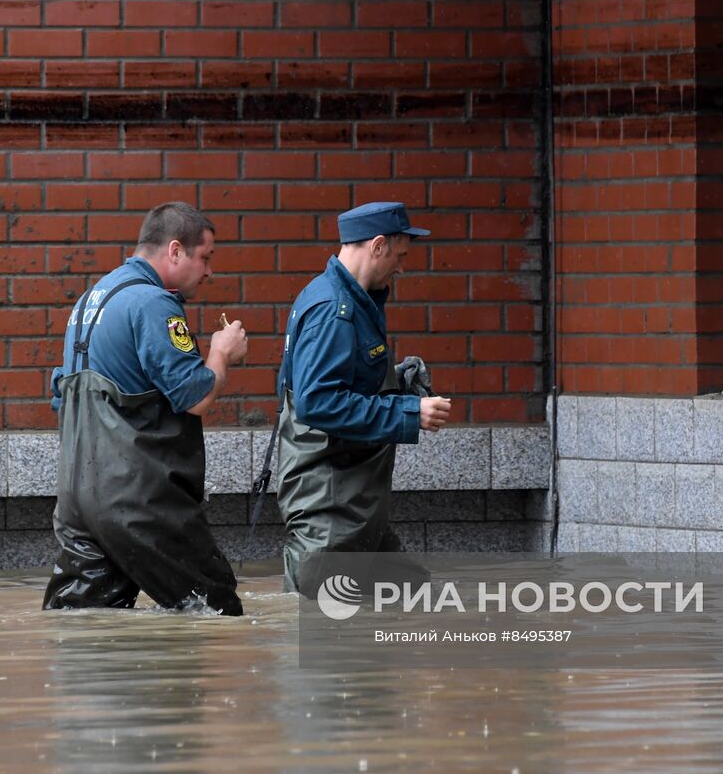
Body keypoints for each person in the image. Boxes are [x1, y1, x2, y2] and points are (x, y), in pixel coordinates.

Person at [42, 202, 248, 615]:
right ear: (175, 251)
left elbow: (61, 400)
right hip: (141, 503)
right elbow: (195, 396)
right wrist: (222, 354)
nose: (209, 272)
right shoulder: (153, 304)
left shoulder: (88, 302)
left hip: (76, 503)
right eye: (205, 258)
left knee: (85, 626)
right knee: (215, 613)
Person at [274, 201, 453, 597]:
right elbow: (319, 403)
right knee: (318, 629)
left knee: (411, 602)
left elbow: (343, 388)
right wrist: (410, 412)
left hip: (352, 501)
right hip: (331, 507)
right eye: (400, 255)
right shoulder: (333, 310)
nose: (402, 267)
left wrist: (397, 385)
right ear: (376, 246)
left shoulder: (349, 300)